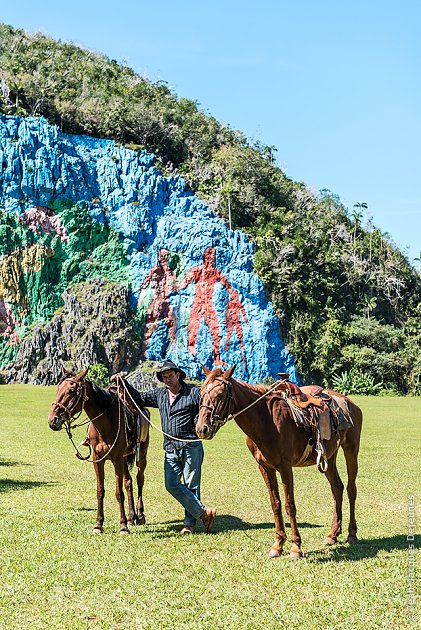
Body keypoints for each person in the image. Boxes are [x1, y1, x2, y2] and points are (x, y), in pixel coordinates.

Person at [113, 360, 216, 535]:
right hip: (170, 448)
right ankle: (204, 513)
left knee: (191, 486)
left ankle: (189, 524)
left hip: (191, 445)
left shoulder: (193, 393)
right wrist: (124, 384)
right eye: (164, 377)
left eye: (170, 376)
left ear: (178, 375)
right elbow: (140, 398)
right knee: (171, 484)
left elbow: (208, 405)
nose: (167, 379)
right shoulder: (160, 394)